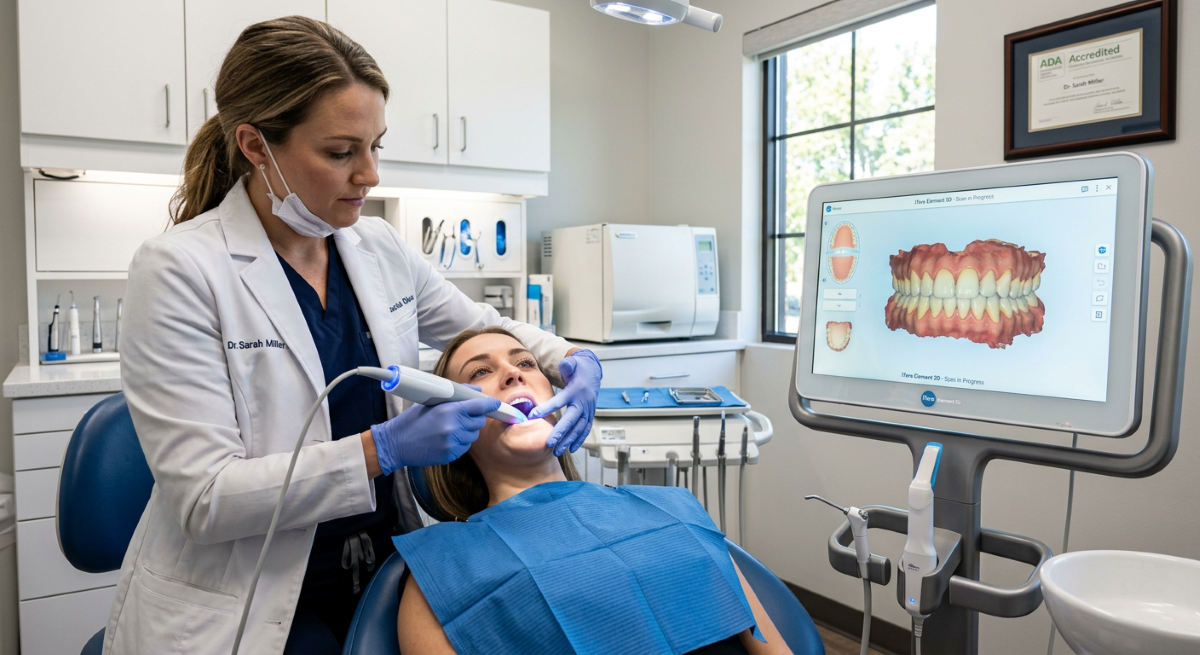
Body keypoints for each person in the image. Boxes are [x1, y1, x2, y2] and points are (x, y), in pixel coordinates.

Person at [107, 17, 601, 655]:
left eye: (376, 146)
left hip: (383, 566)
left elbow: (482, 328)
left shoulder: (378, 247)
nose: (369, 174)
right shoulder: (179, 270)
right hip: (247, 596)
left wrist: (573, 359)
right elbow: (204, 499)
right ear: (257, 146)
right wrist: (380, 450)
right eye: (340, 152)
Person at [393, 327, 791, 655]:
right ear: (452, 427)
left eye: (526, 363)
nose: (513, 373)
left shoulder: (671, 506)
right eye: (479, 373)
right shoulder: (439, 564)